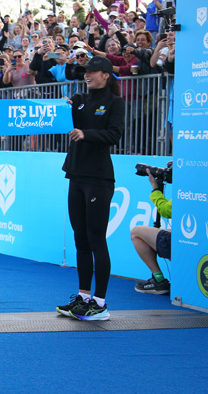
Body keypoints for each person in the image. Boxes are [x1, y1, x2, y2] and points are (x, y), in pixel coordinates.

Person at [57, 56, 124, 321]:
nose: (88, 75)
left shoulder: (115, 102)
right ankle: (83, 298)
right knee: (80, 239)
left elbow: (115, 135)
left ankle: (100, 303)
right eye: (86, 72)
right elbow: (62, 122)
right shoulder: (80, 99)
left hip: (99, 178)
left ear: (106, 75)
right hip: (76, 174)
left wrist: (86, 134)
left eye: (93, 72)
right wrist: (63, 109)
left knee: (96, 239)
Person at [130, 168, 172, 294]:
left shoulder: (192, 190)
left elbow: (166, 211)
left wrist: (155, 189)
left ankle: (159, 280)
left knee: (136, 232)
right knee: (166, 230)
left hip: (183, 247)